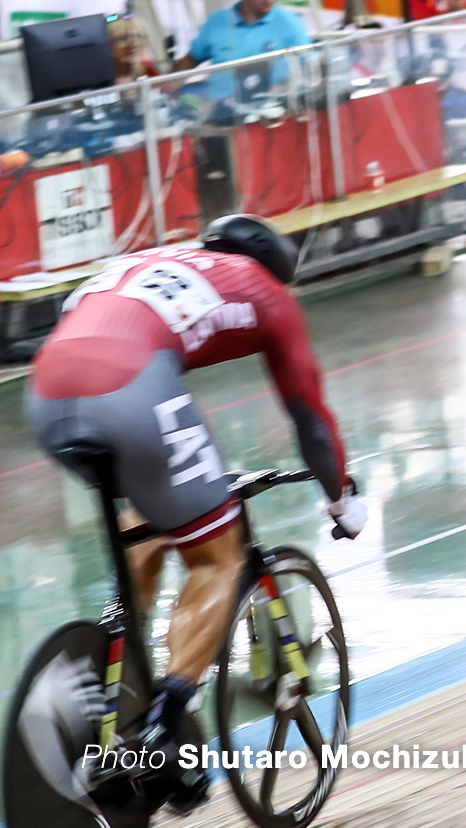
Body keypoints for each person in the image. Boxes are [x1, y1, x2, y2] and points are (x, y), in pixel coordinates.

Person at [28, 214, 363, 810]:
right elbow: (310, 416)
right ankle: (163, 722)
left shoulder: (160, 262)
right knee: (219, 557)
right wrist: (340, 496)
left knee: (151, 517)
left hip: (48, 392)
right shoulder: (267, 291)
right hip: (131, 390)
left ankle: (110, 654)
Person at [175, 0, 311, 100]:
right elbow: (191, 59)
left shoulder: (289, 22)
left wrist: (283, 89)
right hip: (220, 113)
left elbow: (309, 69)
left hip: (270, 111)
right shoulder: (217, 22)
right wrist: (166, 84)